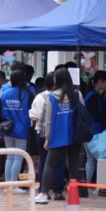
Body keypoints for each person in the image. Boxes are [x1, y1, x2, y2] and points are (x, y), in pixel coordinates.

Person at [34, 69, 84, 204]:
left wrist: (47, 138)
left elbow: (48, 120)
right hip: (75, 135)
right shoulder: (77, 95)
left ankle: (43, 193)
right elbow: (82, 115)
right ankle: (74, 194)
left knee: (49, 164)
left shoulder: (51, 97)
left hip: (57, 135)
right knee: (73, 165)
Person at [30, 72, 66, 200]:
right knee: (59, 163)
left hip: (41, 132)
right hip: (58, 133)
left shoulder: (40, 97)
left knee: (44, 162)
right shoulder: (63, 96)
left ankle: (43, 190)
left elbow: (32, 115)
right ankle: (58, 191)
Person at [0, 70, 33, 193]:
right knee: (18, 157)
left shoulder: (5, 93)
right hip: (22, 130)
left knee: (10, 157)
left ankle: (8, 185)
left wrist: (2, 126)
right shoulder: (28, 94)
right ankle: (14, 186)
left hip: (7, 129)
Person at [83, 71, 106, 183]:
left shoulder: (92, 95)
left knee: (91, 160)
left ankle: (88, 184)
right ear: (101, 81)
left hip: (90, 132)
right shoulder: (93, 97)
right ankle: (94, 184)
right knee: (96, 159)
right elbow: (96, 115)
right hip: (93, 133)